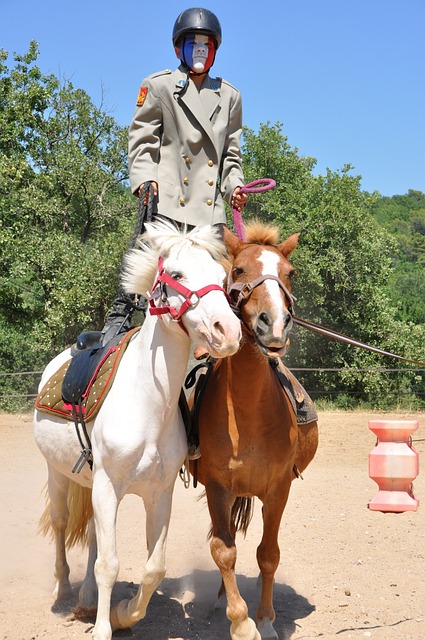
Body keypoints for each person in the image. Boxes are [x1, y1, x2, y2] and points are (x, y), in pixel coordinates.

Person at [101, 7, 248, 344]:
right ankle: (120, 321)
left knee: (220, 284)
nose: (199, 51)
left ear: (214, 51)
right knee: (143, 270)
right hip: (167, 202)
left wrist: (235, 186)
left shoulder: (230, 96)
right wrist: (143, 179)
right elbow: (142, 139)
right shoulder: (159, 86)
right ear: (178, 49)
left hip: (209, 213)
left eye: (206, 45)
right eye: (193, 44)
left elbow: (231, 156)